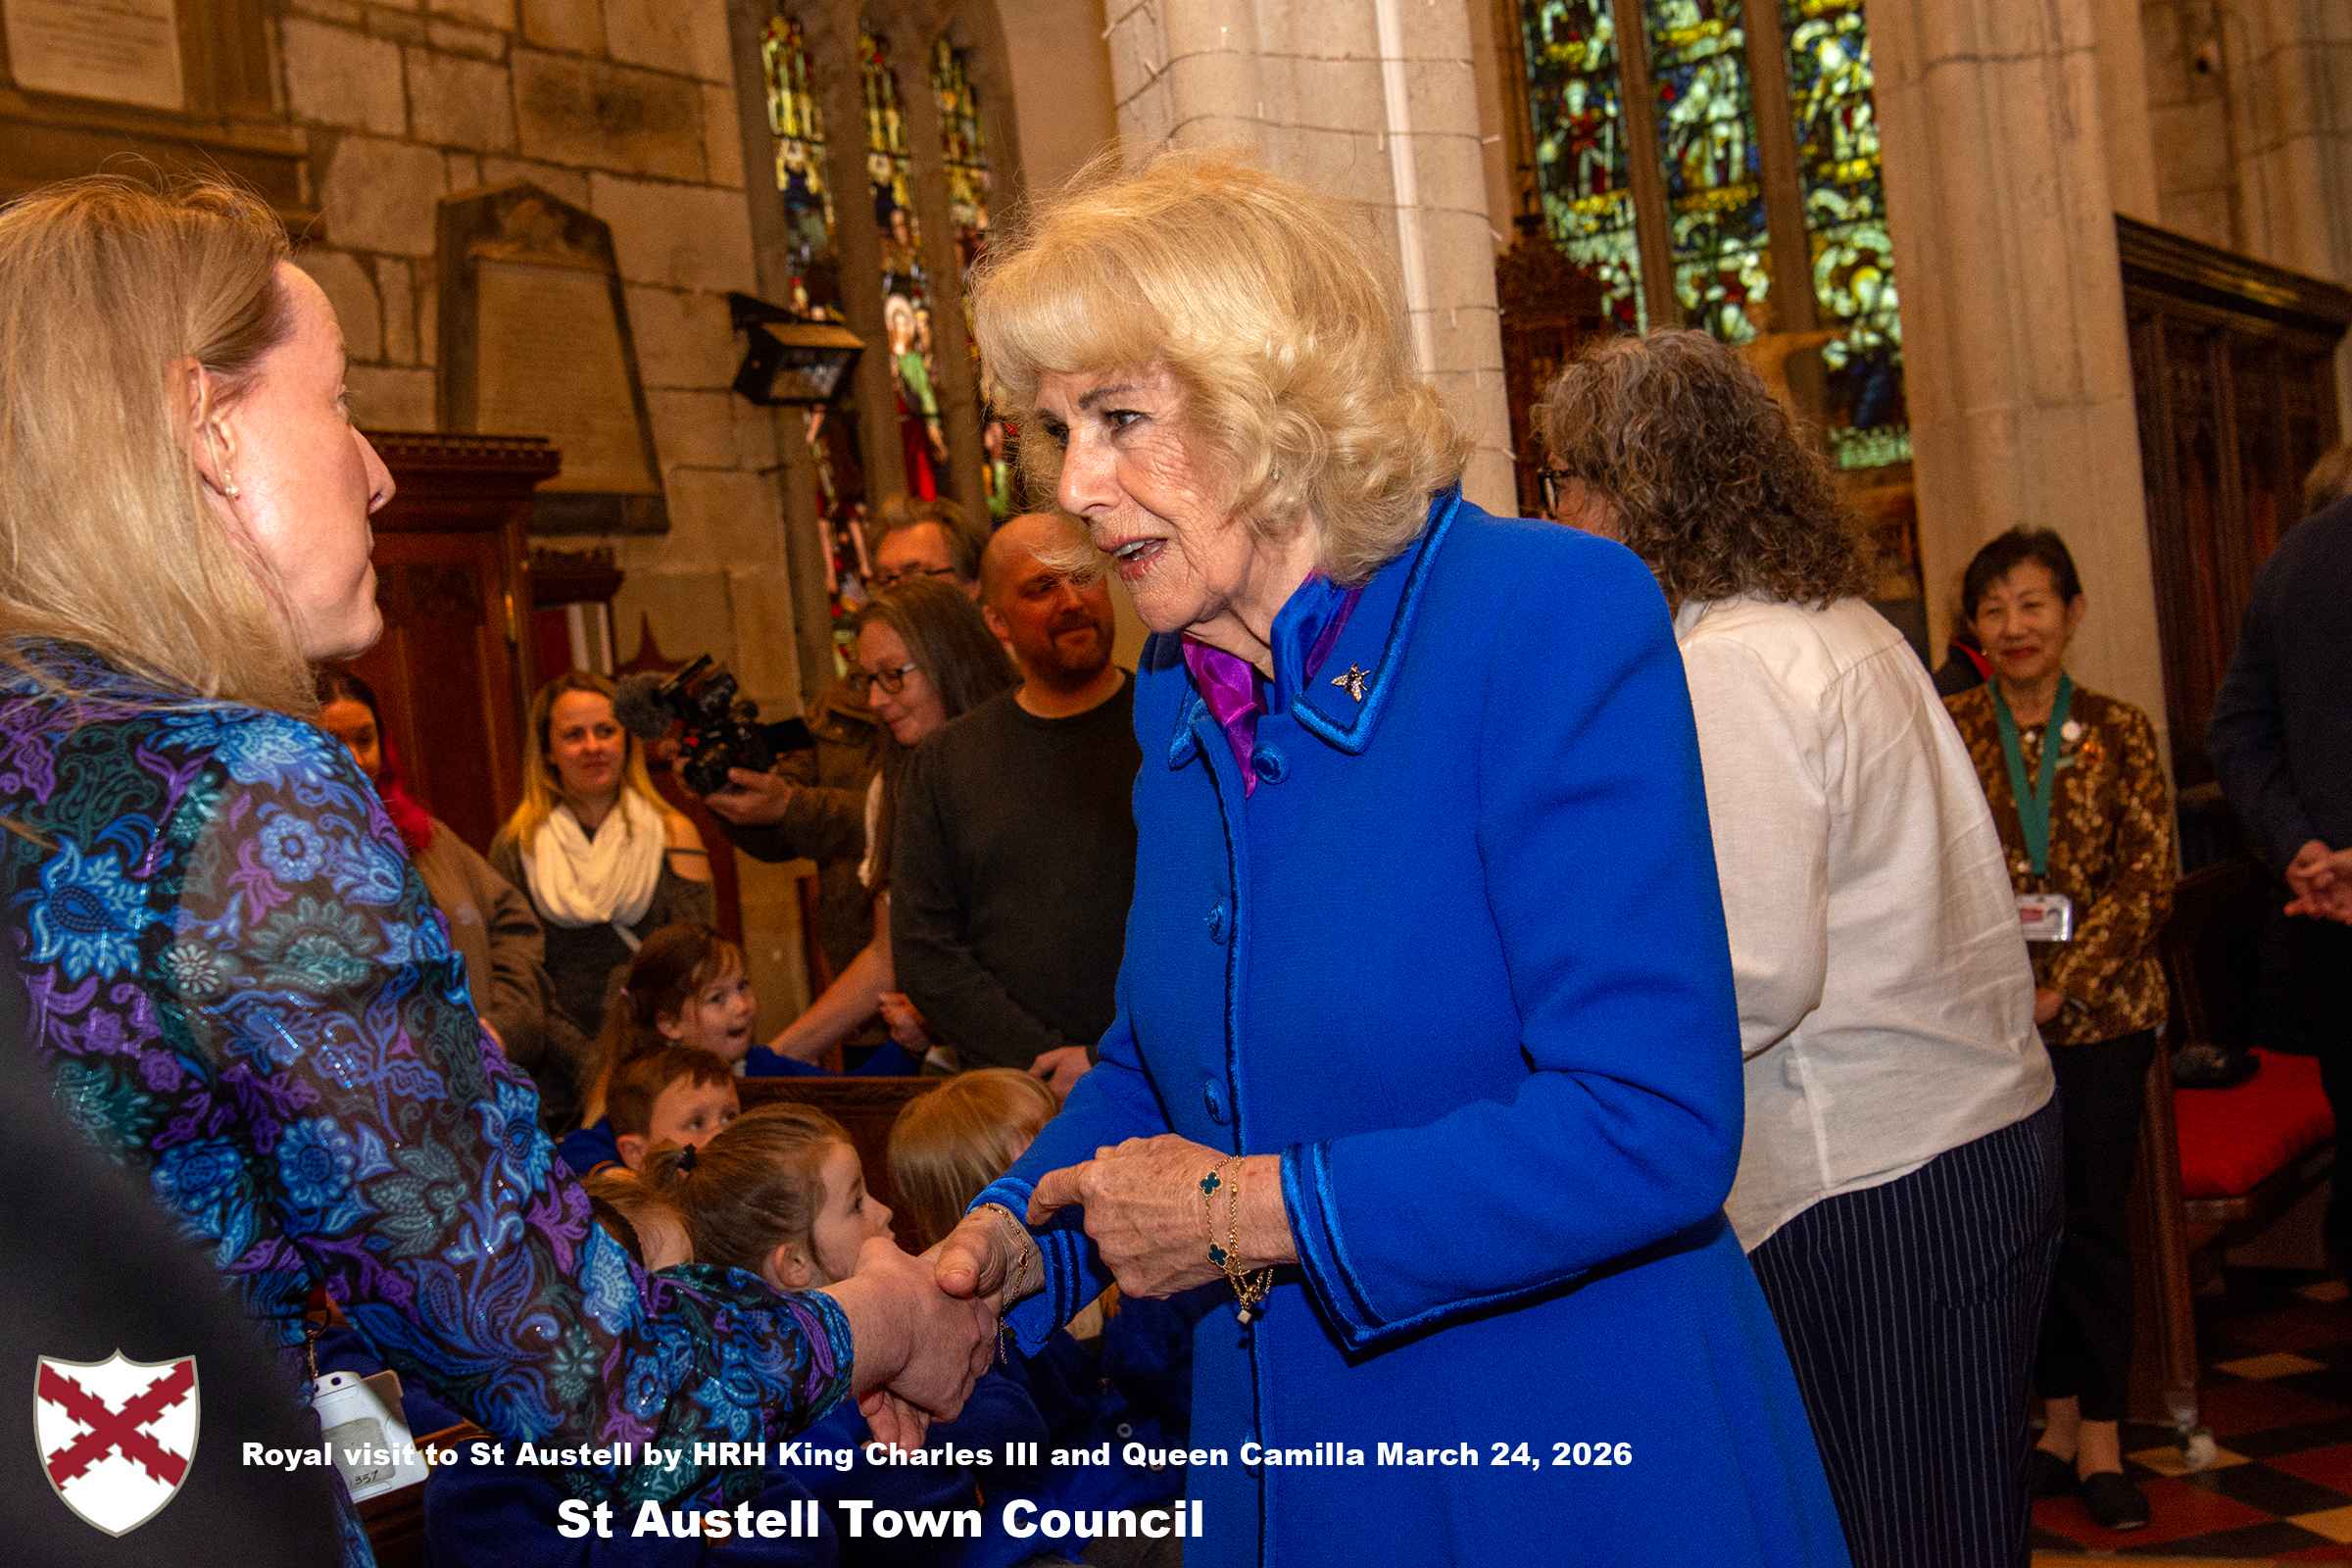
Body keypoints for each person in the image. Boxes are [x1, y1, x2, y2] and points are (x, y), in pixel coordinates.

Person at [0, 174, 992, 1557]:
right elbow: (580, 1382)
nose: (379, 469)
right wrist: (870, 1320)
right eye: (339, 403)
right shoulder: (239, 798)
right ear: (206, 428)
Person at [930, 150, 1847, 1566]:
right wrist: (1010, 1237)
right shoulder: (1180, 679)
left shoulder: (1542, 614)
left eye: (1119, 418)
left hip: (1562, 1453)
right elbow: (1166, 1057)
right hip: (1296, 1462)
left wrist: (1248, 1212)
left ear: (1274, 404)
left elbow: (1651, 1120)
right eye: (1056, 433)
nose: (1075, 489)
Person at [1539, 332, 2060, 1565]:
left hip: (1870, 1178)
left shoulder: (1732, 666)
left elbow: (1756, 972)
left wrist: (1564, 1055)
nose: (1551, 512)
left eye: (1562, 479)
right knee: (1958, 1520)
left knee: (1895, 1534)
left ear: (1636, 485)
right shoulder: (1837, 623)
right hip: (1966, 1138)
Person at [1944, 525, 2174, 1531]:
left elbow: (2148, 880)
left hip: (2100, 1022)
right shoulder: (1953, 730)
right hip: (1987, 1029)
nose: (2015, 625)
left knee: (2092, 1227)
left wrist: (2064, 988)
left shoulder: (2121, 731)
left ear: (2072, 612)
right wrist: (2003, 991)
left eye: (2032, 603)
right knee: (2018, 1228)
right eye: (1995, 608)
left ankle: (2105, 1439)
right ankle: (2052, 1423)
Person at [891, 513, 1139, 1093]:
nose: (1073, 601)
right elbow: (925, 951)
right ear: (997, 622)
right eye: (1042, 587)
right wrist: (1045, 1060)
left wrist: (1112, 1057)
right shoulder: (948, 762)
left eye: (1084, 577)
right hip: (1017, 1093)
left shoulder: (1177, 725)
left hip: (1165, 1075)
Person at [706, 497, 985, 984]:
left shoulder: (1016, 698)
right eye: (886, 581)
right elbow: (786, 821)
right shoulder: (848, 702)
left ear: (972, 586)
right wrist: (732, 793)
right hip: (874, 975)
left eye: (915, 577)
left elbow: (902, 824)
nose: (898, 597)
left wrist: (796, 808)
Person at [316, 666, 587, 1125]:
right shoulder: (285, 864)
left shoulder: (428, 839)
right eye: (332, 743)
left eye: (365, 739)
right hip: (382, 1112)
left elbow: (513, 926)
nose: (356, 760)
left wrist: (503, 1024)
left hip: (487, 1094)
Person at [763, 578, 1016, 1066]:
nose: (877, 702)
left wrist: (941, 1012)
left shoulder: (1023, 764)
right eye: (868, 680)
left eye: (893, 675)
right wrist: (774, 1059)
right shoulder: (894, 786)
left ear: (952, 663)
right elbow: (887, 956)